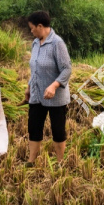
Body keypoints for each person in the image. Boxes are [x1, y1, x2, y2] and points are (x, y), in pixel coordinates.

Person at [24, 11, 71, 167]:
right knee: (34, 127)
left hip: (55, 97)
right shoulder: (36, 43)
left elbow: (67, 69)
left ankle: (60, 162)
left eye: (32, 28)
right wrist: (29, 86)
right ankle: (31, 161)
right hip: (37, 94)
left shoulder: (57, 43)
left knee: (58, 130)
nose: (31, 31)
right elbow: (35, 68)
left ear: (40, 26)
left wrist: (54, 85)